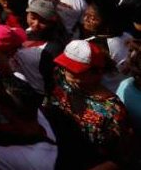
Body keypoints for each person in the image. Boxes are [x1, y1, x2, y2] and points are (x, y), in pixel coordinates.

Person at [44, 39, 134, 169]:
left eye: (75, 70)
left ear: (97, 72)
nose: (66, 72)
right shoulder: (61, 76)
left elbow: (119, 159)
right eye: (65, 66)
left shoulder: (112, 112)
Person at [12, 0, 67, 95]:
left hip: (36, 93)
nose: (36, 24)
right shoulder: (27, 31)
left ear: (51, 22)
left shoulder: (53, 49)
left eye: (43, 21)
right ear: (27, 14)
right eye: (32, 18)